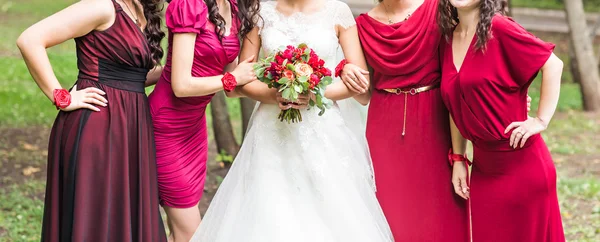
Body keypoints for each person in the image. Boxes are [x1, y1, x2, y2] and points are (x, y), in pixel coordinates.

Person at [189, 0, 393, 241]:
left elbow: (359, 83)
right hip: (271, 132)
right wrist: (276, 95)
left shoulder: (338, 12)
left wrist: (313, 94)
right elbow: (244, 80)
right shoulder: (260, 14)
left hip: (323, 129)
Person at [17, 0, 167, 241]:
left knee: (119, 216)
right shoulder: (101, 7)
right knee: (95, 216)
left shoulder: (140, 8)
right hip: (98, 126)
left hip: (131, 128)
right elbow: (30, 39)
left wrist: (181, 68)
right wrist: (62, 97)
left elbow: (130, 77)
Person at [438, 0, 565, 241]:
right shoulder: (447, 39)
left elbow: (553, 65)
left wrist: (540, 120)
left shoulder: (499, 28)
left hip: (523, 169)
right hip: (484, 172)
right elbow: (455, 105)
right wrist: (458, 159)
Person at [350, 0, 469, 240]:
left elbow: (457, 75)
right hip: (384, 124)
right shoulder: (362, 25)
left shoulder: (438, 8)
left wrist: (458, 157)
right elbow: (363, 96)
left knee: (441, 209)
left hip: (433, 120)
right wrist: (347, 71)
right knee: (391, 210)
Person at [147, 0, 259, 241]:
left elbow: (232, 84)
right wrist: (231, 79)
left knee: (180, 228)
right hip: (166, 126)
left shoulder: (234, 7)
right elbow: (181, 85)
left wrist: (276, 86)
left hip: (194, 130)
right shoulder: (189, 4)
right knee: (190, 232)